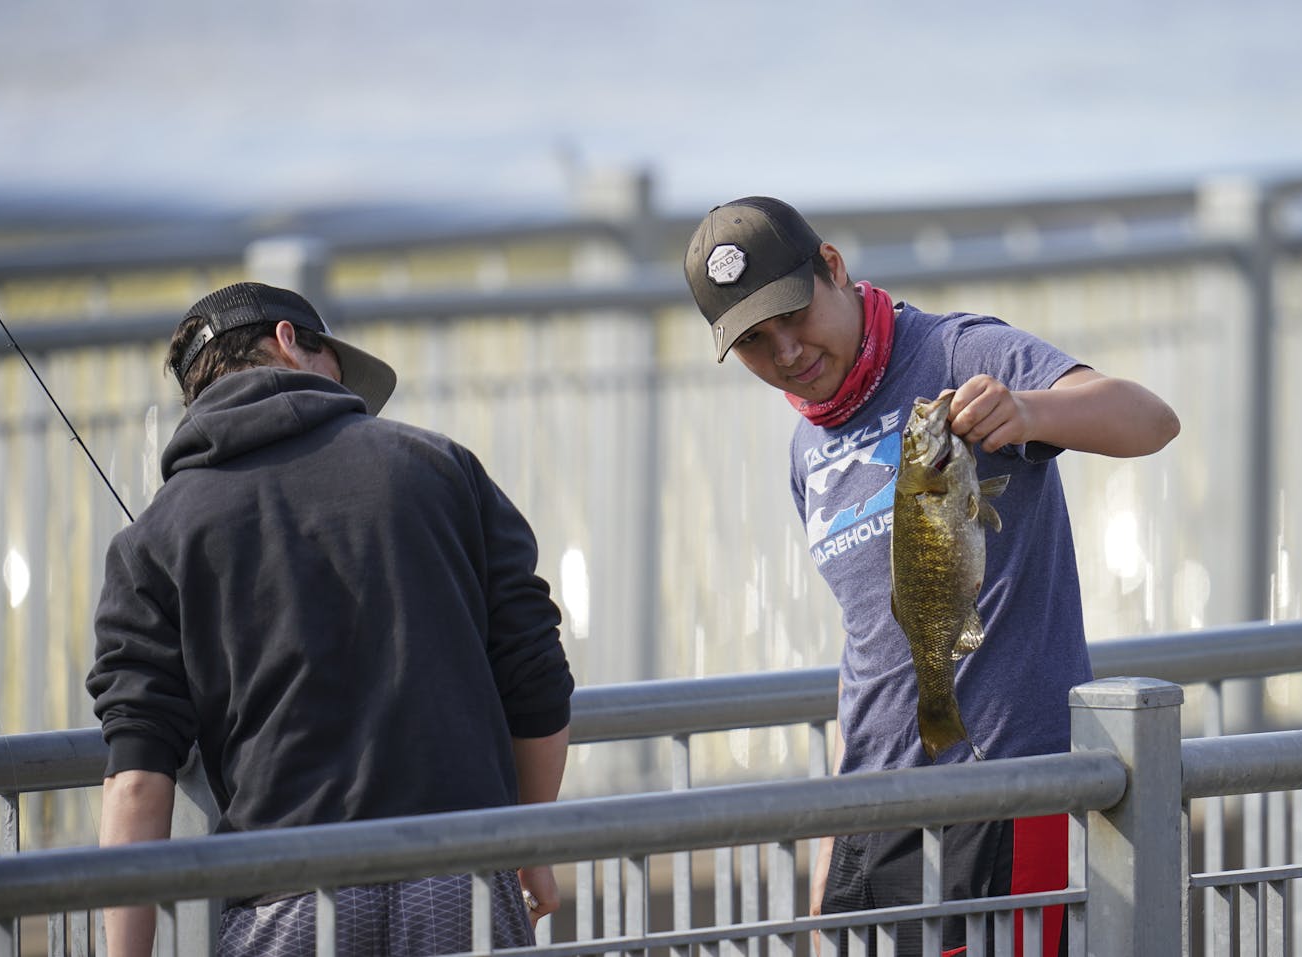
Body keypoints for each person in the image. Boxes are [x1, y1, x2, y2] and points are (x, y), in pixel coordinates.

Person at [684, 197, 1179, 956]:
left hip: (1004, 794)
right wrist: (832, 841)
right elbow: (868, 646)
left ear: (834, 268)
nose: (786, 351)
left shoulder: (959, 354)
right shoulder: (805, 452)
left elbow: (1150, 419)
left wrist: (1030, 410)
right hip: (874, 814)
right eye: (754, 340)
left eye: (792, 313)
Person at [86, 281, 574, 957]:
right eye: (339, 366)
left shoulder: (154, 539)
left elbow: (138, 775)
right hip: (460, 884)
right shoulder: (443, 467)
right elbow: (537, 676)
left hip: (283, 905)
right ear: (290, 339)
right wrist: (529, 844)